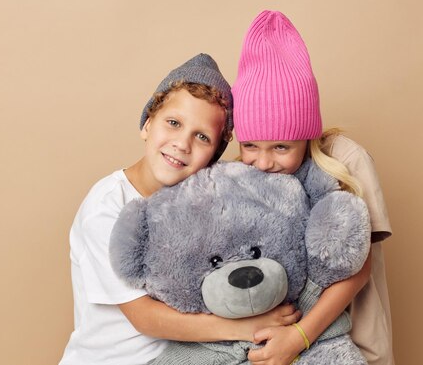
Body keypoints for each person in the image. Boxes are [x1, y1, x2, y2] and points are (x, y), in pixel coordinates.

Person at [59, 53, 301, 365]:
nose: (182, 144)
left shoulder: (202, 200)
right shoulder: (107, 205)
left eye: (202, 137)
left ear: (213, 157)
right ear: (147, 124)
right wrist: (243, 328)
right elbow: (144, 318)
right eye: (173, 123)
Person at [231, 11, 395, 365]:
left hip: (350, 341)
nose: (263, 162)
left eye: (281, 147)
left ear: (306, 134)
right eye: (250, 145)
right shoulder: (240, 177)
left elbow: (359, 269)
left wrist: (298, 337)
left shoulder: (346, 160)